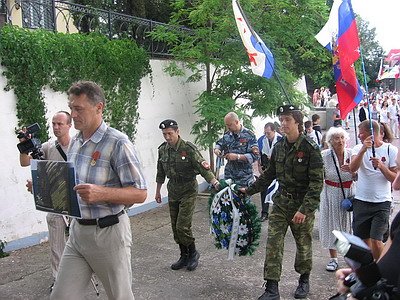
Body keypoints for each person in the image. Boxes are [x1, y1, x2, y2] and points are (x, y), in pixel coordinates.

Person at [50, 81, 147, 300]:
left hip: (108, 235)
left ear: (99, 108)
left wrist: (102, 193)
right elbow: (73, 186)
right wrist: (43, 188)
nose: (73, 114)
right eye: (71, 107)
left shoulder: (118, 142)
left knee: (120, 296)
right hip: (77, 234)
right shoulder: (76, 142)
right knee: (60, 296)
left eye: (79, 109)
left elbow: (140, 193)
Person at [240, 105, 324, 300]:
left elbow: (316, 183)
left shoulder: (310, 148)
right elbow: (268, 175)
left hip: (302, 205)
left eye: (287, 119)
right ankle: (271, 288)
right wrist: (248, 190)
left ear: (297, 122)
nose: (283, 123)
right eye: (281, 119)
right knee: (273, 243)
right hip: (281, 203)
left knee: (303, 244)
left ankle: (304, 280)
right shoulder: (279, 147)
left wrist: (305, 209)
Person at [155, 119, 220, 271]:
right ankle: (183, 255)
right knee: (175, 227)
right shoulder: (163, 150)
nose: (167, 137)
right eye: (164, 134)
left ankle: (193, 253)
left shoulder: (188, 148)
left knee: (182, 226)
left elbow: (203, 168)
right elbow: (160, 172)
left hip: (188, 190)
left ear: (177, 132)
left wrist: (215, 183)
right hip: (173, 190)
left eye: (170, 133)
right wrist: (158, 191)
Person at [19, 111, 72, 291]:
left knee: (83, 239)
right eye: (53, 124)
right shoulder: (49, 147)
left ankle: (87, 273)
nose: (56, 127)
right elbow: (25, 162)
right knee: (57, 244)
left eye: (60, 124)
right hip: (56, 201)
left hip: (78, 200)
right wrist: (24, 146)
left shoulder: (79, 146)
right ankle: (58, 280)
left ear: (69, 125)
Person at [349, 120, 397, 261]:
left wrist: (382, 167)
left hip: (382, 202)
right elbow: (352, 168)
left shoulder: (390, 150)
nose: (359, 136)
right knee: (363, 241)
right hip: (361, 201)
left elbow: (394, 178)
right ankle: (369, 267)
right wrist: (363, 150)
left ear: (371, 133)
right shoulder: (358, 148)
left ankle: (381, 269)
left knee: (376, 240)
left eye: (361, 133)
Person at [319, 127, 355, 272]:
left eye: (342, 138)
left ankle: (348, 256)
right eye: (336, 138)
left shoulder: (352, 154)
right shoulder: (325, 156)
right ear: (330, 141)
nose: (340, 141)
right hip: (330, 193)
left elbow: (359, 176)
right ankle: (333, 259)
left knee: (348, 225)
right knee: (332, 225)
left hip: (349, 193)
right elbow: (319, 177)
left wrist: (354, 171)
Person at [214, 112, 259, 187]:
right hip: (229, 177)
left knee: (243, 198)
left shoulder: (249, 135)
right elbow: (219, 144)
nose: (228, 127)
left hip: (244, 178)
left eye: (230, 125)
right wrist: (217, 149)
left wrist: (237, 157)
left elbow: (255, 156)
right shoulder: (227, 135)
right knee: (228, 198)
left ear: (237, 122)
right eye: (226, 125)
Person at [257, 122, 282, 221]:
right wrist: (259, 166)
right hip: (266, 168)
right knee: (264, 190)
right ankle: (264, 212)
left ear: (274, 131)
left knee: (277, 191)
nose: (266, 135)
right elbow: (259, 154)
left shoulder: (281, 140)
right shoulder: (262, 140)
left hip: (278, 169)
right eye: (265, 133)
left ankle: (277, 213)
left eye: (268, 133)